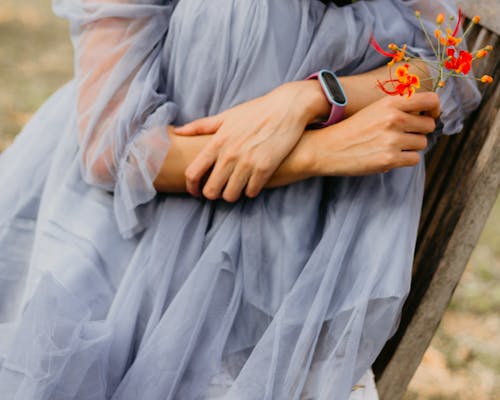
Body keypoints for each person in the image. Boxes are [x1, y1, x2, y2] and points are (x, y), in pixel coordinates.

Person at [0, 0, 480, 399]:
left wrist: (315, 98)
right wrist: (315, 152)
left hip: (297, 277)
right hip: (132, 255)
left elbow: (448, 66)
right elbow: (115, 152)